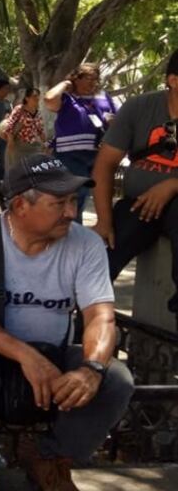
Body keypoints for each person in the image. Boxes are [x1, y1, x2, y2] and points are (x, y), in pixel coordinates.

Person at [0, 154, 134, 491]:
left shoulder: (85, 244)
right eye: (58, 203)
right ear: (19, 206)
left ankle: (53, 461)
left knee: (117, 378)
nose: (70, 213)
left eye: (73, 202)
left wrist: (91, 368)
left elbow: (101, 316)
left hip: (54, 356)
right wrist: (26, 356)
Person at [92, 50, 178, 313]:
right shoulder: (140, 108)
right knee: (103, 258)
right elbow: (105, 165)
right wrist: (104, 220)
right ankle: (81, 328)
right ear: (173, 80)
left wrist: (172, 185)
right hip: (139, 204)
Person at [45, 63, 118, 221]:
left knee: (93, 195)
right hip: (70, 156)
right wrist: (65, 84)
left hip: (97, 153)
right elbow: (49, 98)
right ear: (76, 79)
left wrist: (112, 122)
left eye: (95, 79)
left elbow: (118, 120)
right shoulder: (67, 98)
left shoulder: (103, 97)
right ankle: (69, 231)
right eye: (88, 78)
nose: (93, 83)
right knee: (73, 195)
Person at [2, 88, 46, 167]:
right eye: (34, 96)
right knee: (17, 169)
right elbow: (10, 125)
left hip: (33, 147)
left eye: (38, 96)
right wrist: (10, 141)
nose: (37, 98)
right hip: (19, 146)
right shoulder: (19, 109)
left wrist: (45, 144)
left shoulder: (38, 112)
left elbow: (40, 130)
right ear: (27, 98)